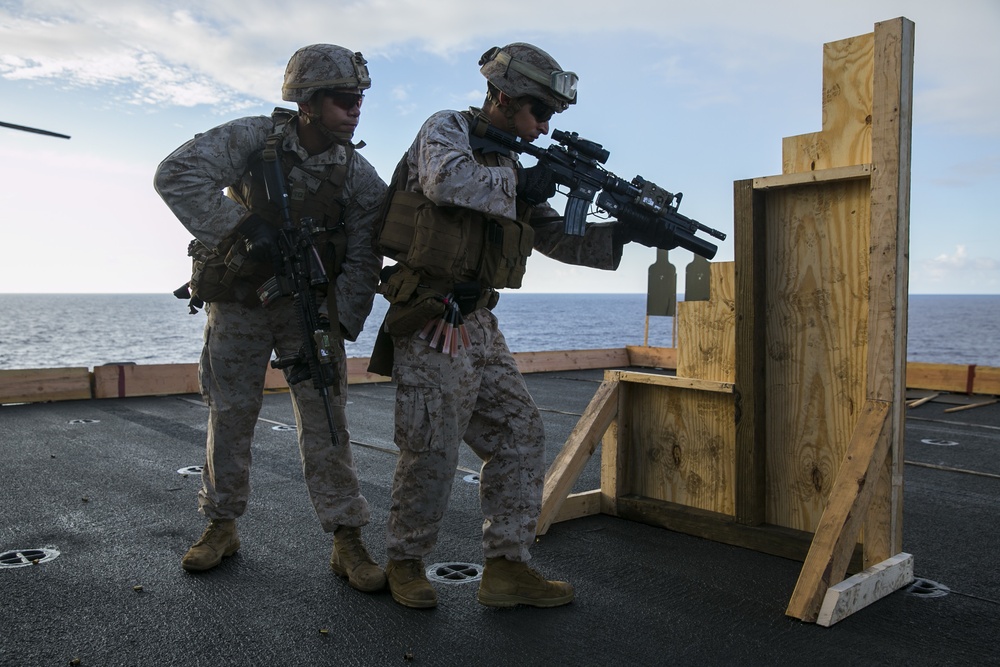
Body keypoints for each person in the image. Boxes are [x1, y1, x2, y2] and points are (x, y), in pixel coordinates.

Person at [370, 42, 677, 609]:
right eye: (539, 113)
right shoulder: (448, 130)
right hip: (432, 314)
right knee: (432, 445)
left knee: (520, 432)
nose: (543, 127)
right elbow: (444, 183)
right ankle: (405, 560)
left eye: (551, 118)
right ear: (504, 97)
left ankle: (507, 567)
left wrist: (628, 233)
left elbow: (556, 237)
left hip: (478, 319)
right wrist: (525, 183)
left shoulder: (511, 164)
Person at [153, 44, 387, 593]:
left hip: (307, 309)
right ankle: (221, 524)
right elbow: (177, 175)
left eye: (359, 100)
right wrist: (245, 233)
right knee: (231, 411)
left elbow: (365, 253)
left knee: (327, 420)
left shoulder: (355, 171)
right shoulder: (251, 140)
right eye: (344, 99)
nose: (356, 110)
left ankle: (346, 536)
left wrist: (341, 320)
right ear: (307, 101)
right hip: (241, 301)